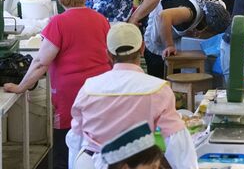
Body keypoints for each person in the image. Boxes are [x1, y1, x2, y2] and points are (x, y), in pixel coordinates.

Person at [4, 0, 111, 169]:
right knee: (96, 144)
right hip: (99, 90)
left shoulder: (58, 23)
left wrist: (21, 87)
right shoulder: (101, 20)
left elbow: (40, 63)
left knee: (66, 146)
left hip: (71, 95)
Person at [67, 22, 198, 169]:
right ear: (142, 48)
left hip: (89, 163)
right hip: (135, 164)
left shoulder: (88, 88)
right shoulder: (157, 89)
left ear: (109, 54)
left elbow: (76, 138)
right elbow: (176, 141)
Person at [144, 0, 231, 78]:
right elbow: (164, 16)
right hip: (156, 15)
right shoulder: (190, 13)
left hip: (176, 17)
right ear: (206, 25)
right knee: (159, 68)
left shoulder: (220, 9)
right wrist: (169, 45)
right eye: (212, 34)